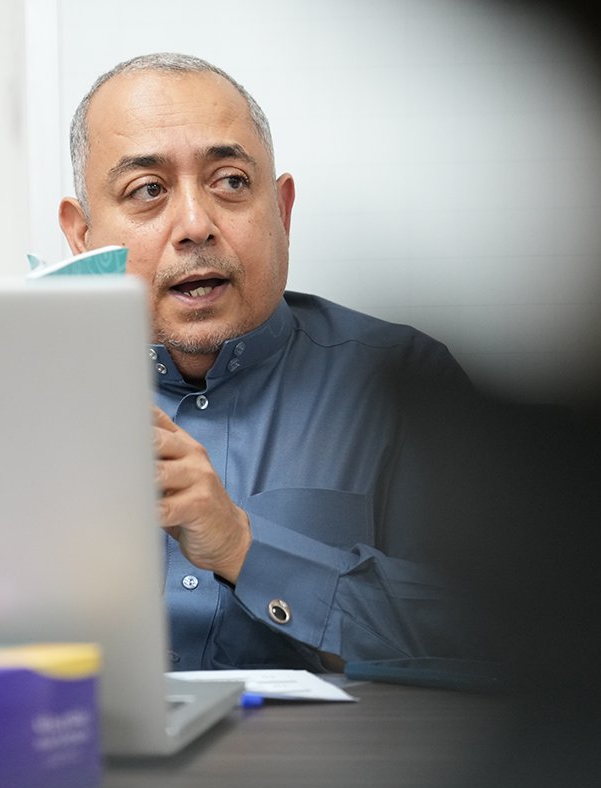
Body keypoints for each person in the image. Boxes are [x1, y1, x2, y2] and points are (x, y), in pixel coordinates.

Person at [57, 53, 478, 672]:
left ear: (282, 211)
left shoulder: (403, 383)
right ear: (81, 236)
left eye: (230, 182)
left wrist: (242, 545)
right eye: (148, 190)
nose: (195, 225)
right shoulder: (17, 401)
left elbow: (488, 635)